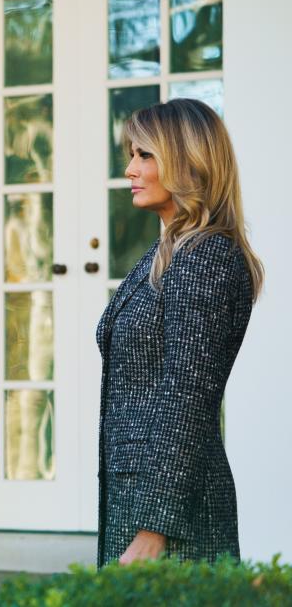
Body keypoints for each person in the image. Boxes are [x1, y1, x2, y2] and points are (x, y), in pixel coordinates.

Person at [96, 98, 264, 566]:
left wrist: (154, 528)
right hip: (138, 496)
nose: (129, 168)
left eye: (144, 155)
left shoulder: (205, 257)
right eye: (131, 154)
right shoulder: (167, 253)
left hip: (172, 515)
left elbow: (186, 396)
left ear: (188, 161)